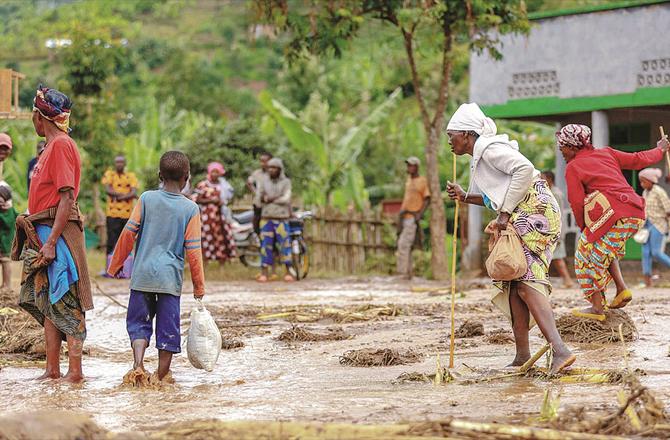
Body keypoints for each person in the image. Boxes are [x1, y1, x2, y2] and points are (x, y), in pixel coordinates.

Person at [445, 102, 574, 375]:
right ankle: (522, 356)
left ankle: (560, 351)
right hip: (524, 215)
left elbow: (524, 171)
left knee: (527, 285)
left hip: (535, 216)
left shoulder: (491, 150)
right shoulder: (481, 156)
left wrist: (504, 213)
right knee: (514, 287)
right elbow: (499, 195)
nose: (449, 142)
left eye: (451, 135)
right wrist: (465, 196)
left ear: (467, 135)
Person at [12, 86, 92, 383]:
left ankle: (75, 372)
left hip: (57, 236)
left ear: (38, 116)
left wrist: (50, 242)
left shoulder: (60, 145)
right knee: (48, 301)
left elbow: (67, 197)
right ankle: (52, 369)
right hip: (45, 232)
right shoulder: (50, 147)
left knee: (66, 299)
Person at [108, 151, 205, 384]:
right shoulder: (191, 209)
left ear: (159, 175)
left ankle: (138, 365)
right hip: (169, 280)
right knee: (168, 328)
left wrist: (115, 266)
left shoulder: (146, 199)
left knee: (138, 323)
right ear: (186, 177)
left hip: (142, 275)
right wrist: (199, 286)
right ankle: (161, 376)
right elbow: (193, 251)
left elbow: (128, 234)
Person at [558, 124, 669, 321]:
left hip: (614, 214)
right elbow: (637, 159)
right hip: (635, 212)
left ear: (572, 146)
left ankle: (597, 307)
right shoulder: (606, 153)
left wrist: (585, 229)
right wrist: (660, 149)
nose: (561, 152)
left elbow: (576, 202)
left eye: (562, 148)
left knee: (584, 255)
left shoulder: (573, 167)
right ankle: (621, 289)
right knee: (604, 251)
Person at [254, 157, 294, 283]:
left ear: (280, 169)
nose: (271, 170)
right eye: (270, 167)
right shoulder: (263, 181)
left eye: (274, 168)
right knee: (266, 246)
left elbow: (286, 199)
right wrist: (268, 199)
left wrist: (271, 199)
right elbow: (258, 199)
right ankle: (264, 273)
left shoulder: (286, 182)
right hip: (266, 218)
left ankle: (288, 272)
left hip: (282, 219)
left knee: (285, 244)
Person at [101, 155, 138, 278]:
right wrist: (126, 195)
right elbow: (108, 190)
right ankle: (109, 270)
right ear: (114, 163)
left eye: (121, 162)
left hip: (127, 215)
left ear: (125, 163)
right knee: (111, 241)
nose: (119, 164)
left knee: (127, 242)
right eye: (117, 162)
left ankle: (126, 270)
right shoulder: (109, 175)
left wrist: (118, 196)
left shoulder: (131, 176)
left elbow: (134, 192)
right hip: (112, 214)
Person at [194, 162, 236, 264]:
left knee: (221, 237)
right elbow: (198, 200)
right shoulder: (203, 185)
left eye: (217, 172)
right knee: (207, 238)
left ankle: (222, 261)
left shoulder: (224, 185)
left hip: (220, 216)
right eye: (213, 172)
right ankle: (206, 262)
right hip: (207, 218)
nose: (215, 174)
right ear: (209, 172)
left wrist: (222, 202)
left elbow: (229, 199)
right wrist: (212, 201)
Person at [396, 156, 430, 279]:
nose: (409, 168)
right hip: (404, 217)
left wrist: (419, 214)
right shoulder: (409, 180)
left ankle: (402, 273)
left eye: (411, 165)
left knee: (403, 244)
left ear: (416, 167)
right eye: (408, 165)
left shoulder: (422, 181)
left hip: (412, 217)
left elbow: (427, 199)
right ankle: (407, 273)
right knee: (407, 245)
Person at [541, 170, 575, 288]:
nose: (540, 180)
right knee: (553, 257)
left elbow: (557, 214)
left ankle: (568, 280)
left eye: (543, 178)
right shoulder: (549, 192)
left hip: (555, 230)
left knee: (558, 258)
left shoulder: (555, 194)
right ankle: (565, 280)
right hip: (550, 230)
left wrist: (557, 232)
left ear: (549, 179)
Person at [638, 168, 670, 287]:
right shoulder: (645, 193)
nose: (641, 184)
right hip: (646, 226)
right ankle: (647, 280)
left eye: (643, 181)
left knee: (656, 253)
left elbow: (668, 210)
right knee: (645, 252)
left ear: (651, 181)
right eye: (640, 182)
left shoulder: (659, 191)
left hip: (658, 224)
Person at [247, 152, 273, 234]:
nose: (263, 164)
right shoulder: (257, 173)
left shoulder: (275, 173)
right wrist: (256, 193)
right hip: (259, 205)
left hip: (271, 206)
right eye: (261, 161)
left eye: (265, 161)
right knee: (257, 227)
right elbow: (249, 183)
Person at [0, 181, 18, 291]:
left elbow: (9, 221)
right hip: (2, 242)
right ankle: (4, 285)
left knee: (6, 263)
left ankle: (7, 285)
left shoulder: (9, 212)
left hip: (5, 243)